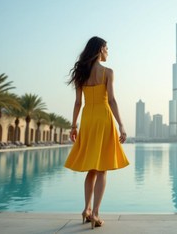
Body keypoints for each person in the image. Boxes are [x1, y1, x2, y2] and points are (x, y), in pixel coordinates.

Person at [64, 36, 129, 229]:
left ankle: (86, 209)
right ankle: (96, 214)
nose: (108, 52)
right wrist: (122, 125)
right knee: (102, 169)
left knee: (91, 169)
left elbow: (78, 103)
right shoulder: (108, 72)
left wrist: (74, 126)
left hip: (88, 119)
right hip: (103, 118)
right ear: (100, 49)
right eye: (107, 48)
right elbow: (112, 101)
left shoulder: (81, 74)